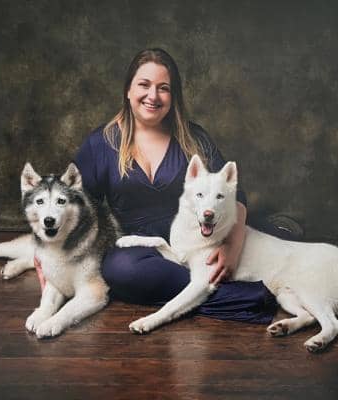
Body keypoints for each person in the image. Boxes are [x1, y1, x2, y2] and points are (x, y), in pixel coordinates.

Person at [74, 48, 289, 324]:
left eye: (163, 88)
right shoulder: (101, 143)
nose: (153, 96)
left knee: (279, 243)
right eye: (144, 85)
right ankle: (249, 296)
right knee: (120, 271)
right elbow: (74, 204)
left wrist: (232, 247)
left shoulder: (193, 137)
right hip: (147, 251)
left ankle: (254, 258)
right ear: (128, 90)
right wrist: (47, 257)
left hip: (204, 239)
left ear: (173, 96)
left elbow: (235, 194)